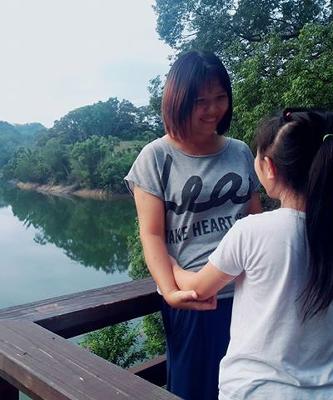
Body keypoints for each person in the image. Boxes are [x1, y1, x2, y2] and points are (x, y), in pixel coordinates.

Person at [124, 50, 262, 400]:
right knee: (193, 388)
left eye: (220, 97)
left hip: (249, 294)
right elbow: (151, 234)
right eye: (201, 100)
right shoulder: (155, 157)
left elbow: (255, 222)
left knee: (247, 386)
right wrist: (170, 290)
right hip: (195, 299)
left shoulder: (240, 152)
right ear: (178, 100)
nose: (213, 109)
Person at [171, 108, 333, 399]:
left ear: (269, 167)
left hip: (254, 390)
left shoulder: (252, 231)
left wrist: (170, 265)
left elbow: (198, 289)